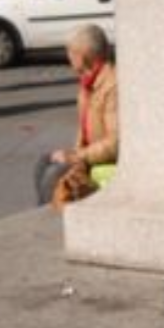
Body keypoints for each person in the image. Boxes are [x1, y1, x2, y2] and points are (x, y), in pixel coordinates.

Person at [47, 24, 119, 206]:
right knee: (45, 164)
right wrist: (75, 156)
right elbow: (84, 131)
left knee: (53, 175)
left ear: (81, 55)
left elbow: (115, 143)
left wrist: (78, 157)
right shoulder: (88, 82)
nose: (68, 57)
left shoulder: (112, 85)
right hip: (90, 157)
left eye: (69, 51)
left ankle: (57, 219)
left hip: (108, 162)